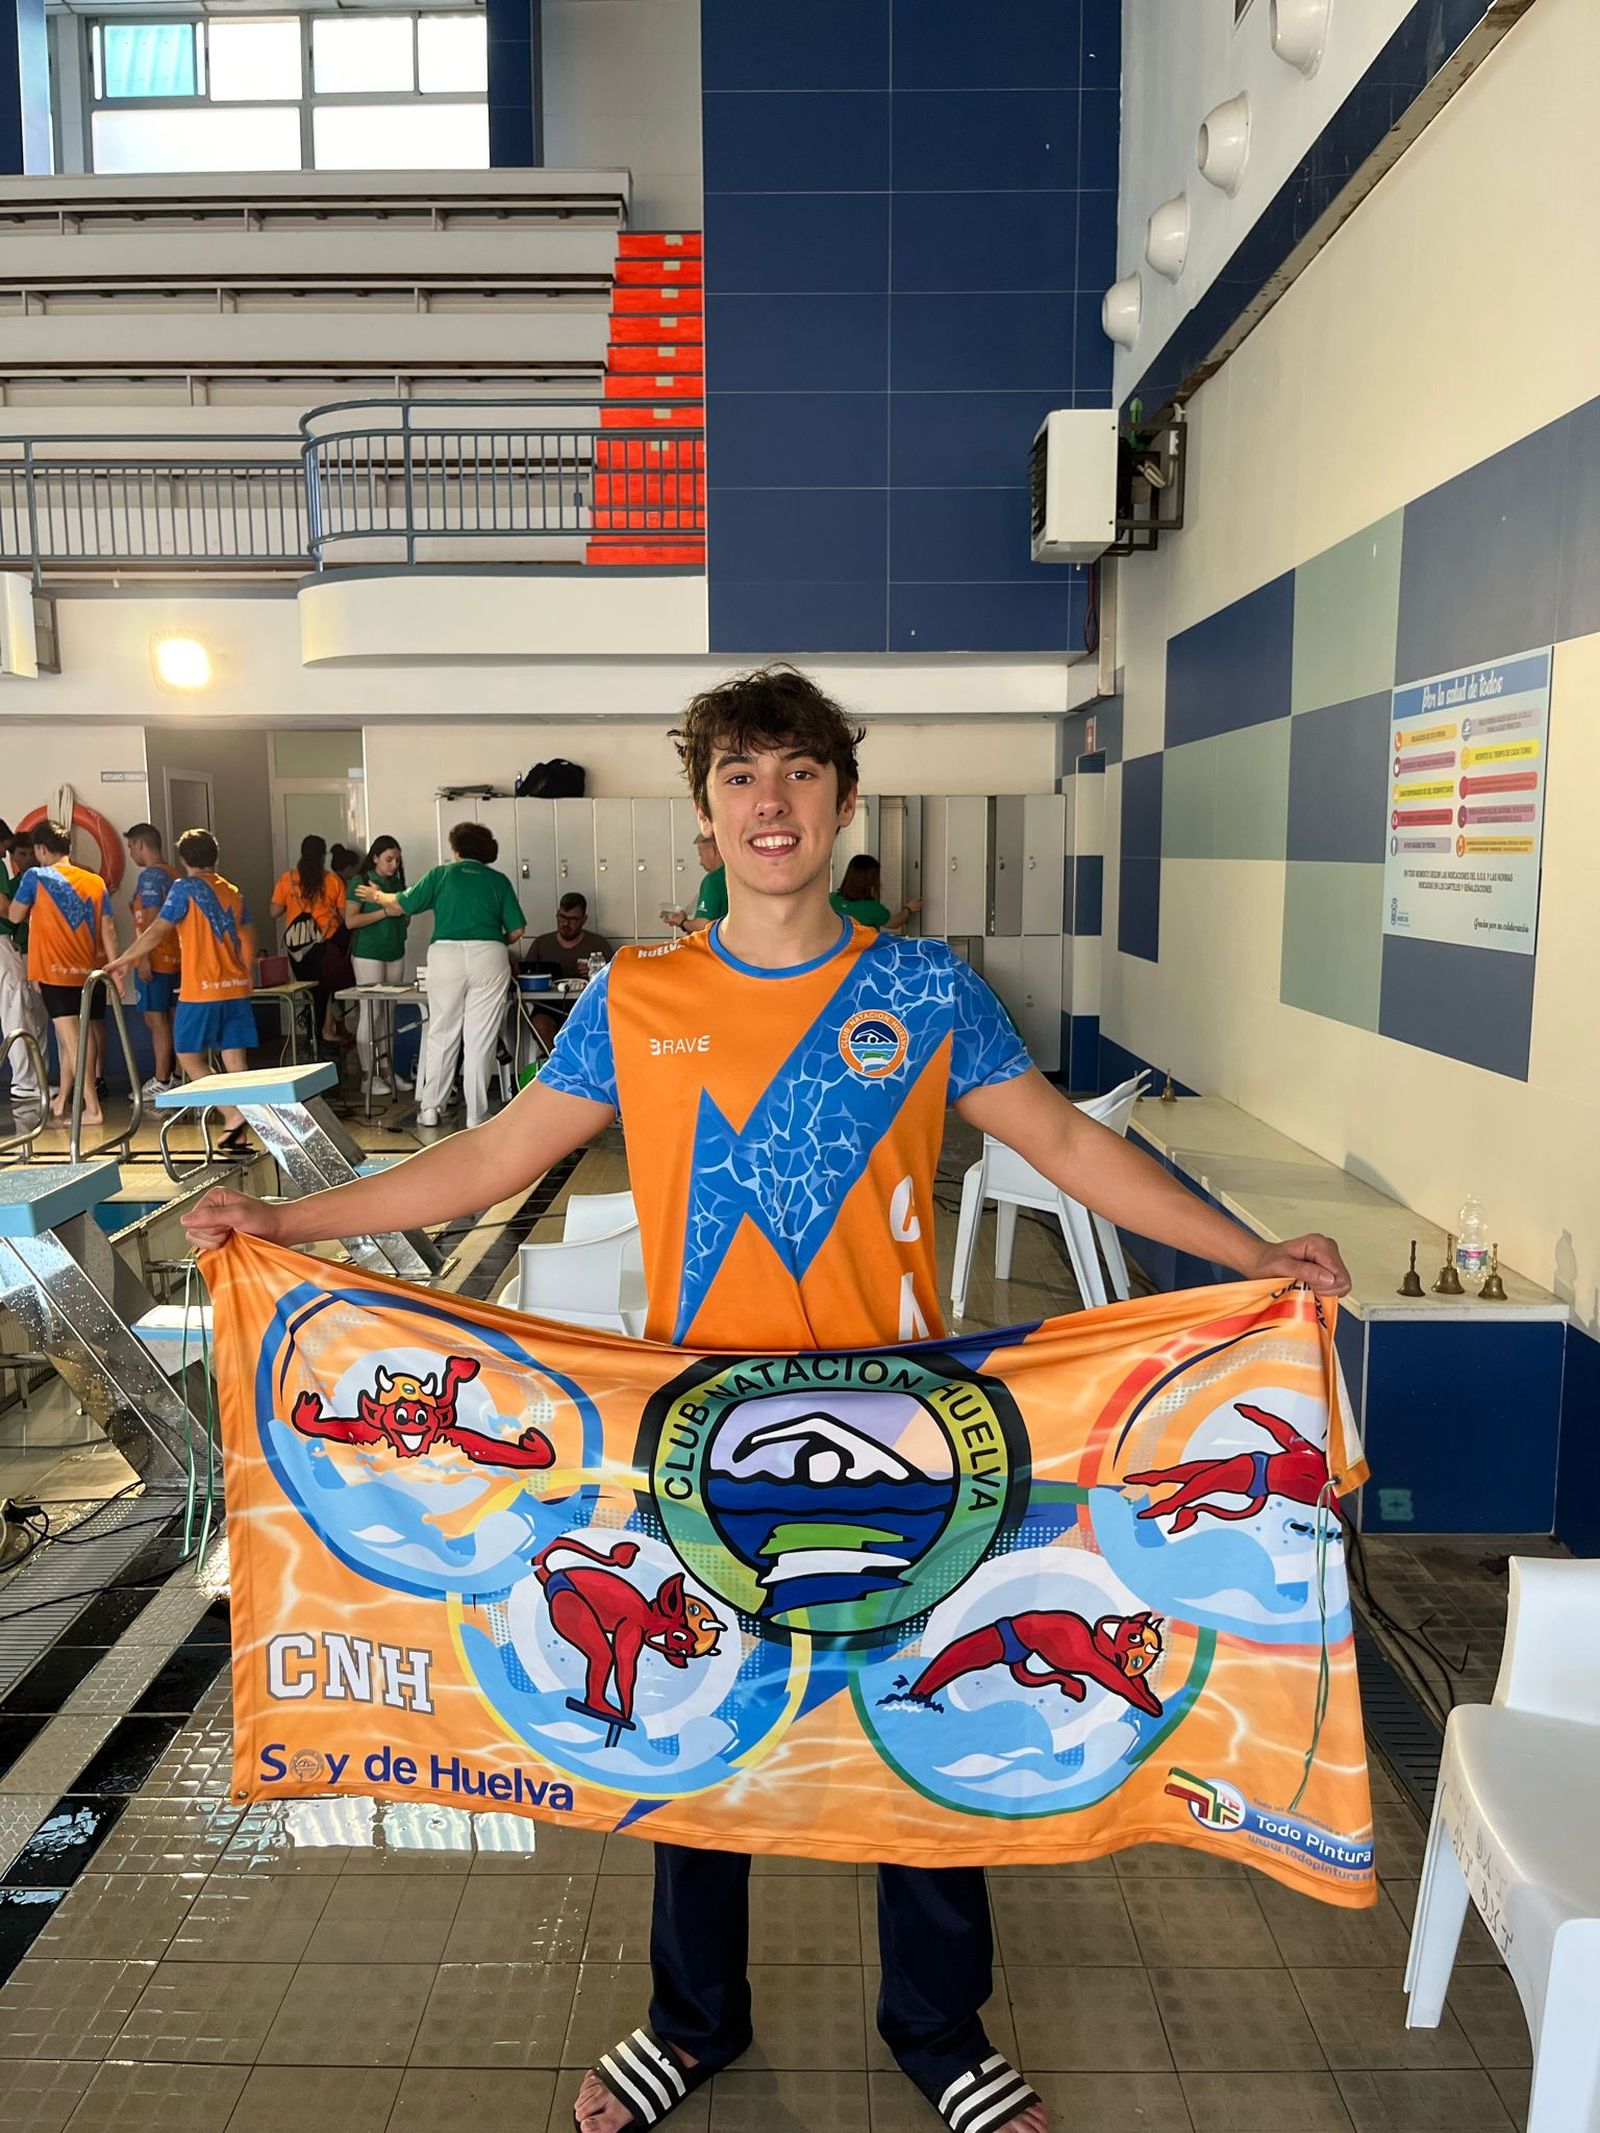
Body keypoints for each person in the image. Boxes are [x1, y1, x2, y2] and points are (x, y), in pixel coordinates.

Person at [183, 663, 1350, 2133]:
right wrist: (292, 1228)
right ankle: (691, 2018)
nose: (772, 802)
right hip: (697, 1436)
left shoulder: (923, 989)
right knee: (695, 1730)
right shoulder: (639, 993)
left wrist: (1252, 1255)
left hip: (910, 1444)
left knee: (917, 1749)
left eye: (800, 773)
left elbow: (1065, 1144)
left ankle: (940, 2033)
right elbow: (489, 1160)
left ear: (845, 803)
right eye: (742, 774)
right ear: (706, 809)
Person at [357, 820, 524, 1130]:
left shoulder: (441, 875)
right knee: (480, 1038)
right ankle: (476, 1115)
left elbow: (402, 904)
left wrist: (378, 896)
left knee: (442, 1033)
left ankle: (431, 1109)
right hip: (489, 956)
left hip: (445, 956)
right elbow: (517, 930)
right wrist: (492, 943)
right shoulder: (498, 881)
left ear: (457, 849)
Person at [102, 827, 258, 1155]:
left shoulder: (183, 889)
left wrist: (124, 960)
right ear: (214, 856)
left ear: (184, 859)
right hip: (235, 989)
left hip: (201, 991)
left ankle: (233, 1114)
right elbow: (247, 936)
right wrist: (245, 977)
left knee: (188, 1056)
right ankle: (239, 1132)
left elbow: (157, 930)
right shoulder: (232, 890)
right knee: (235, 1062)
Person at [4, 819, 119, 1126]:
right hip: (86, 971)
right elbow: (108, 930)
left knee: (73, 1039)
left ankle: (92, 1108)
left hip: (53, 973)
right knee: (72, 1038)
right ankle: (61, 1102)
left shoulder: (36, 877)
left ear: (41, 849)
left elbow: (14, 915)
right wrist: (116, 969)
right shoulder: (94, 881)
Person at [344, 835, 411, 1098]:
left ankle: (386, 1069)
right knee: (370, 1012)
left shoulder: (396, 883)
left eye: (397, 860)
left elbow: (404, 919)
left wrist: (402, 914)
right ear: (375, 858)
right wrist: (384, 911)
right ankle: (366, 1075)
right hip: (369, 953)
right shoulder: (360, 882)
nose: (394, 865)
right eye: (388, 860)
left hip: (395, 950)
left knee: (388, 1013)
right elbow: (350, 921)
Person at [271, 835, 347, 1053]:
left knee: (306, 989)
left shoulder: (288, 879)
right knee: (324, 990)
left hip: (298, 948)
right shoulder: (333, 880)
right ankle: (321, 1034)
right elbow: (344, 916)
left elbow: (274, 911)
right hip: (325, 942)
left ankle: (312, 1034)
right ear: (324, 856)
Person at [124, 823, 181, 1096]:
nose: (130, 852)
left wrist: (143, 956)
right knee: (174, 1018)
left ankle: (162, 1079)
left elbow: (152, 919)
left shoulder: (150, 877)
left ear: (141, 845)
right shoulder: (174, 874)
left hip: (156, 960)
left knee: (155, 1020)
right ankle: (180, 1074)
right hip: (176, 958)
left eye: (131, 846)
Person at [0, 832, 48, 1111]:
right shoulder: (19, 882)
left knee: (29, 1014)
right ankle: (25, 1082)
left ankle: (34, 1079)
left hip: (18, 949)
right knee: (16, 1009)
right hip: (11, 946)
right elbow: (8, 911)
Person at [527, 892, 613, 979]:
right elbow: (525, 976)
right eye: (562, 917)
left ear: (584, 920)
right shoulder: (541, 944)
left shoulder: (598, 944)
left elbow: (615, 978)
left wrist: (596, 973)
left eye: (572, 920)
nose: (566, 923)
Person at [831, 852, 923, 934]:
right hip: (863, 951)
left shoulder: (831, 899)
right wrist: (908, 909)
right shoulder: (871, 908)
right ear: (870, 880)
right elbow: (894, 923)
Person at [663, 830, 725, 936]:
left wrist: (682, 922)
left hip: (718, 950)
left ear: (713, 851)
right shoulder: (739, 874)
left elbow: (702, 926)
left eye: (701, 855)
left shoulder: (713, 880)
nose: (700, 862)